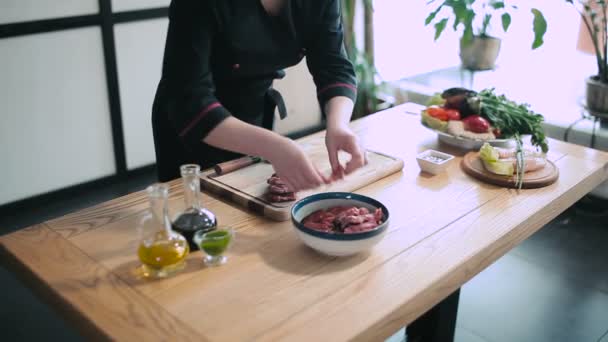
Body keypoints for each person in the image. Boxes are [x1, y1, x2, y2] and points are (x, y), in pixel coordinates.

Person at [152, 0, 366, 192]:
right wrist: (274, 146)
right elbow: (188, 101)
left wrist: (339, 126)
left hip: (253, 121)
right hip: (192, 125)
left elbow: (335, 67)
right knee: (193, 220)